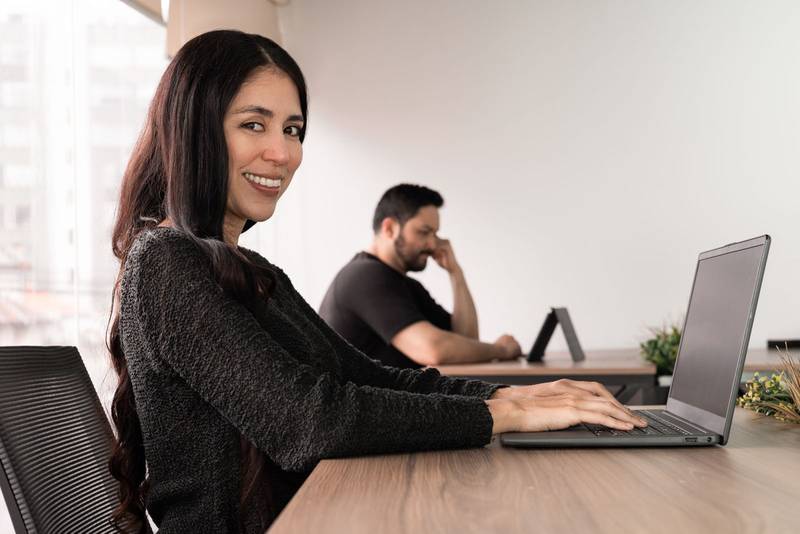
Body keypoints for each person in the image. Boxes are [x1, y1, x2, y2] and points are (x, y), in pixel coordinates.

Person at [107, 29, 646, 534]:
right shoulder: (165, 261)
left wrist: (512, 394)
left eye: (293, 130)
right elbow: (309, 422)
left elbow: (374, 378)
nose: (284, 153)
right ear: (194, 128)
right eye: (254, 124)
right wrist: (504, 414)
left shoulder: (253, 272)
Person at [319, 184, 522, 368]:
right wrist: (500, 351)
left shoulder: (406, 285)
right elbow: (433, 350)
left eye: (435, 234)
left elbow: (466, 343)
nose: (433, 244)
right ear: (389, 228)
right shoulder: (364, 277)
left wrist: (455, 273)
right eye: (424, 232)